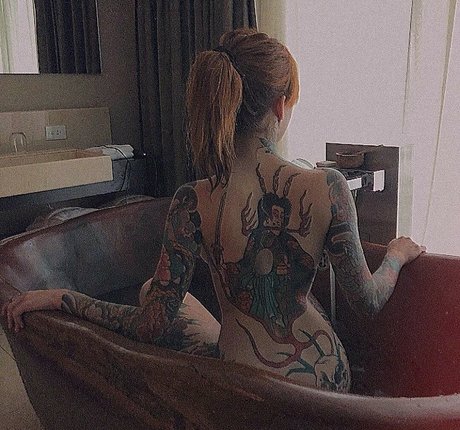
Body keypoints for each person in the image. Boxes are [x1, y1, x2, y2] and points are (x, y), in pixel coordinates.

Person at [2, 28, 425, 392]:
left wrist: (62, 298)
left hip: (243, 388)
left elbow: (151, 324)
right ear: (279, 106)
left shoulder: (192, 201)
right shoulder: (327, 186)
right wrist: (395, 255)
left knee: (154, 293)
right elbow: (368, 301)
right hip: (325, 383)